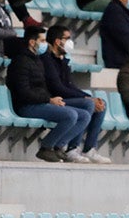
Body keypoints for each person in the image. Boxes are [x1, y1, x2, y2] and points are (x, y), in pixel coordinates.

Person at [6, 26, 91, 162]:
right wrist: (49, 99)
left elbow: (42, 87)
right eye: (42, 41)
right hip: (26, 106)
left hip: (41, 102)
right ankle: (46, 148)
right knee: (70, 115)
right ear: (32, 42)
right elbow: (23, 93)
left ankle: (58, 147)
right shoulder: (20, 62)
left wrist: (50, 99)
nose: (45, 44)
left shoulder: (37, 60)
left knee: (84, 115)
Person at [42, 25, 109, 163]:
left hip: (65, 98)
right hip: (54, 100)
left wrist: (90, 97)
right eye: (67, 38)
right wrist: (86, 98)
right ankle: (71, 149)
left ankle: (89, 148)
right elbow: (57, 88)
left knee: (100, 103)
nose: (69, 42)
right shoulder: (47, 60)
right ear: (57, 41)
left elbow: (70, 85)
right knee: (88, 104)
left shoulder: (63, 60)